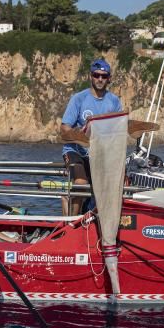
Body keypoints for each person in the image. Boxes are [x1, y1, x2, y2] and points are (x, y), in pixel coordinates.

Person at [59, 57, 123, 215]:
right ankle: (71, 224)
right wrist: (79, 135)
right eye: (96, 75)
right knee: (81, 182)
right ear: (90, 76)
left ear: (109, 79)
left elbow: (118, 131)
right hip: (75, 150)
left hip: (99, 154)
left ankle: (91, 219)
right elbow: (64, 128)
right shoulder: (79, 99)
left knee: (113, 185)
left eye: (104, 76)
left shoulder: (114, 102)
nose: (100, 79)